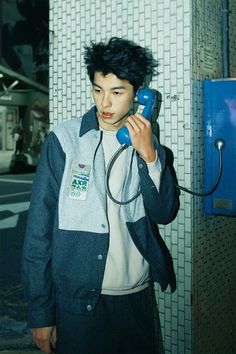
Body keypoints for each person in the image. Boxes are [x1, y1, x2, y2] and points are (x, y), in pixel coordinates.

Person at [22, 37, 180, 354]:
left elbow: (164, 212)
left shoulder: (146, 139)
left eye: (117, 92)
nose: (104, 103)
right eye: (98, 90)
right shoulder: (64, 141)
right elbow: (39, 230)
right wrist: (41, 312)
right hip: (78, 304)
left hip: (136, 297)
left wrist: (149, 154)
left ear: (139, 94)